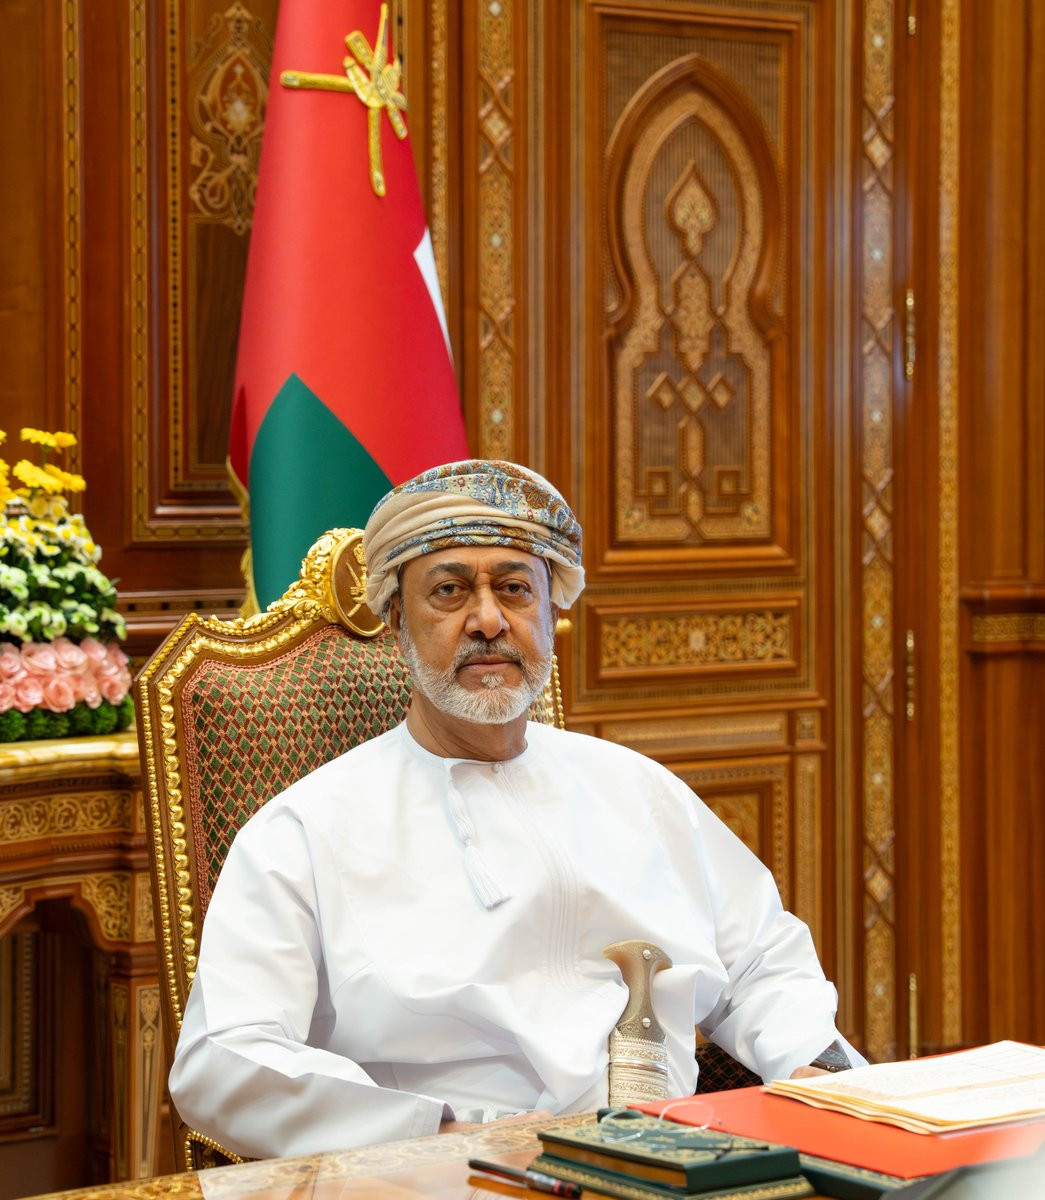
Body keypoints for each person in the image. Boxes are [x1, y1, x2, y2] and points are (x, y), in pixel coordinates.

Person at [169, 459, 863, 1159]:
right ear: (396, 620)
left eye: (513, 588)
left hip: (671, 1159)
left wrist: (815, 1066)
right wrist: (438, 1136)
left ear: (549, 612)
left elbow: (762, 959)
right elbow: (223, 1057)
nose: (488, 620)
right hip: (451, 1172)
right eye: (449, 591)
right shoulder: (305, 829)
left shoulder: (634, 788)